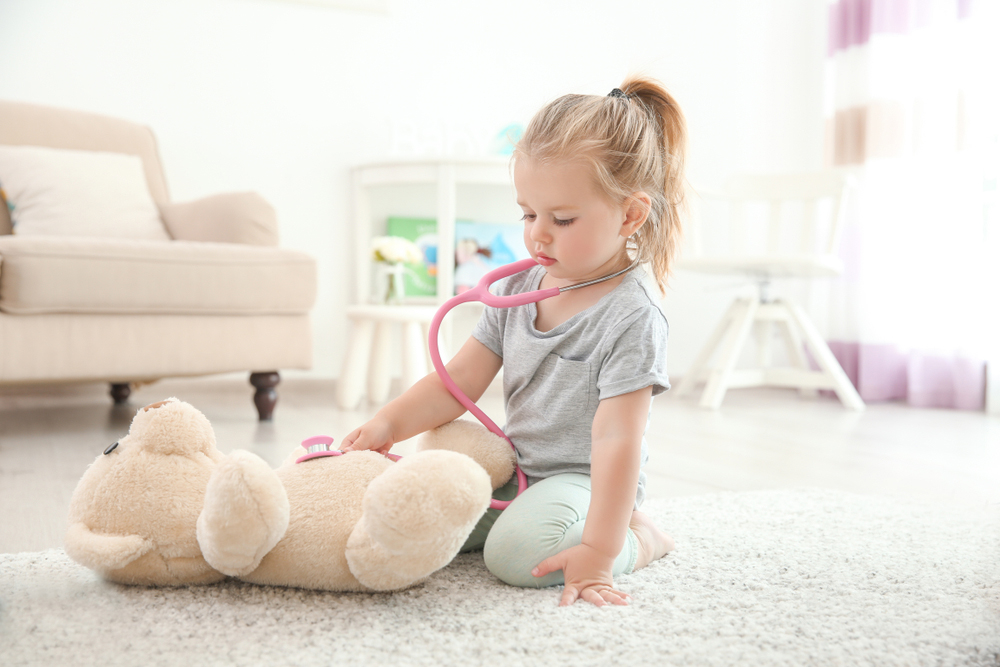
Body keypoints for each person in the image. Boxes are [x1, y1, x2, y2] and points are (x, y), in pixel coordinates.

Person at [342, 76, 687, 607]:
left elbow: (619, 441)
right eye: (528, 213)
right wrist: (388, 423)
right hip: (516, 466)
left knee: (514, 555)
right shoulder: (518, 287)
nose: (537, 235)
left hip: (583, 479)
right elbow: (458, 380)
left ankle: (641, 539)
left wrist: (600, 549)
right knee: (416, 516)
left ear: (631, 215)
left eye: (562, 219)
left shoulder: (632, 314)